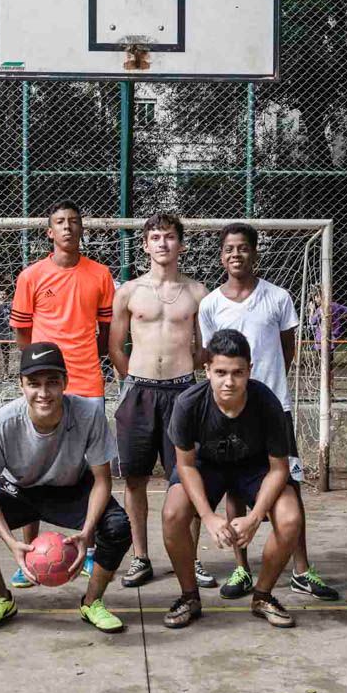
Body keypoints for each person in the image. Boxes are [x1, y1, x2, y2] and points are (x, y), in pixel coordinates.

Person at [197, 223, 339, 602]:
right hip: (230, 410)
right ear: (222, 256)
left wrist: (268, 393)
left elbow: (287, 349)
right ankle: (241, 567)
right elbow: (209, 356)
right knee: (233, 487)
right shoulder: (210, 304)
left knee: (287, 487)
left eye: (243, 248)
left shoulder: (278, 297)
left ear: (255, 254)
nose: (236, 255)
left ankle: (301, 569)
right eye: (229, 249)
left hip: (274, 407)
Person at [0, 342, 130, 634]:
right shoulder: (2, 422)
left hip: (71, 487)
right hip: (18, 490)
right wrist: (9, 541)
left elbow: (102, 480)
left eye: (52, 382)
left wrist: (87, 533)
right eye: (33, 384)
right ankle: (0, 599)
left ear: (65, 382)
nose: (43, 392)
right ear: (21, 385)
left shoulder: (88, 414)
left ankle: (92, 602)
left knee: (117, 527)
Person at [161, 329, 303, 629]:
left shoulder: (267, 403)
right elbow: (185, 466)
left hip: (254, 468)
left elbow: (279, 469)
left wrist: (254, 518)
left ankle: (263, 596)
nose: (229, 381)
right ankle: (189, 596)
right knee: (173, 513)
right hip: (206, 466)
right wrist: (208, 517)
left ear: (250, 369)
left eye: (238, 373)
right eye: (221, 372)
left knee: (291, 518)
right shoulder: (189, 403)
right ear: (207, 370)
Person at [6, 201, 115, 587]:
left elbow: (104, 333)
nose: (67, 227)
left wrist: (85, 360)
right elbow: (23, 334)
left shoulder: (101, 275)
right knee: (30, 468)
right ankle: (29, 555)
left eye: (73, 222)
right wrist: (36, 371)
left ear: (82, 229)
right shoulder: (31, 276)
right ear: (49, 232)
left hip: (86, 382)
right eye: (59, 223)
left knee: (90, 471)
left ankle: (89, 547)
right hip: (43, 386)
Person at [108, 213, 218, 589]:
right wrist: (134, 380)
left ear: (180, 245)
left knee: (188, 480)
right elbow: (115, 345)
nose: (162, 243)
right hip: (138, 392)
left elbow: (205, 350)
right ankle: (140, 557)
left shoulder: (198, 293)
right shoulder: (128, 291)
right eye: (155, 237)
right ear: (145, 245)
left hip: (183, 392)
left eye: (169, 237)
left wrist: (189, 381)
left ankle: (192, 556)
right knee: (135, 479)